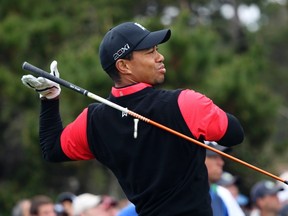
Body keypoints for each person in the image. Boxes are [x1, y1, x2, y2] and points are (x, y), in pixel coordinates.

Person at [21, 21, 244, 215]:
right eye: (150, 52)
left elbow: (51, 148)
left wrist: (49, 98)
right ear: (124, 65)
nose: (160, 57)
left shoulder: (93, 121)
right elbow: (234, 133)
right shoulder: (185, 103)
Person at [205, 141, 245, 216]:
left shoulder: (220, 200)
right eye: (214, 157)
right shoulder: (183, 194)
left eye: (220, 157)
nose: (221, 163)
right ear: (199, 157)